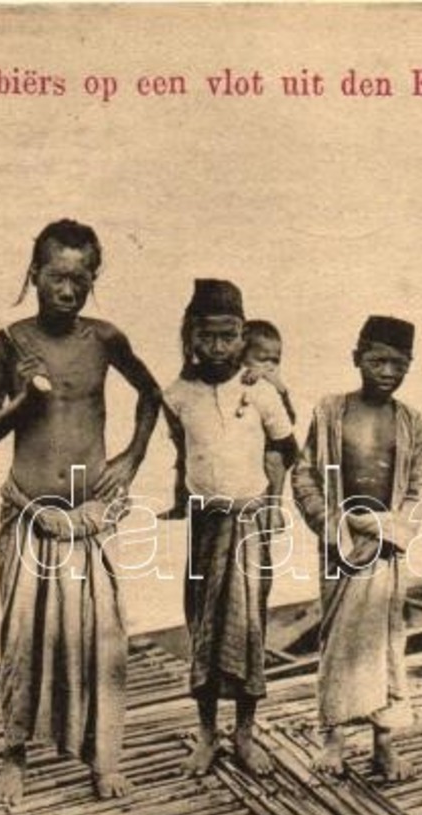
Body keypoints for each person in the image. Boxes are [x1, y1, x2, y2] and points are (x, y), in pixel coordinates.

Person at [0, 218, 162, 805]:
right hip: (29, 513)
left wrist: (131, 458)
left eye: (81, 278)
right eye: (57, 276)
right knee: (24, 637)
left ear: (92, 280)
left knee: (103, 638)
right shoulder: (9, 343)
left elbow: (152, 396)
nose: (68, 289)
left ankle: (102, 760)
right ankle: (14, 759)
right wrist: (19, 400)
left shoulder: (105, 339)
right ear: (34, 275)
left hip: (90, 516)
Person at [161, 279, 299, 777]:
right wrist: (180, 500)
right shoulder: (176, 395)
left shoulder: (260, 393)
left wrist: (274, 504)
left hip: (249, 523)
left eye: (229, 335)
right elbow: (183, 452)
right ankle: (206, 734)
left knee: (249, 627)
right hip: (204, 524)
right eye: (209, 336)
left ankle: (244, 733)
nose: (219, 346)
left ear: (243, 336)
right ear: (192, 337)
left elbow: (285, 448)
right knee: (202, 624)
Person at [290, 315, 422, 781]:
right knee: (338, 646)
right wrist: (333, 524)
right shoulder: (330, 412)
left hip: (386, 549)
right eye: (377, 361)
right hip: (340, 545)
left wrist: (394, 528)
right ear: (357, 358)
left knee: (387, 647)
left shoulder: (413, 423)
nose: (388, 371)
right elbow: (305, 473)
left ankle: (384, 745)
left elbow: (420, 487)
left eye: (399, 363)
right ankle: (333, 739)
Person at [241, 319, 301, 516]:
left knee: (273, 459)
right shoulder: (239, 379)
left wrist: (281, 389)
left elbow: (290, 421)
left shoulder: (272, 385)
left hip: (279, 446)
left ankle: (274, 509)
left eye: (275, 360)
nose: (269, 366)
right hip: (249, 444)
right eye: (262, 359)